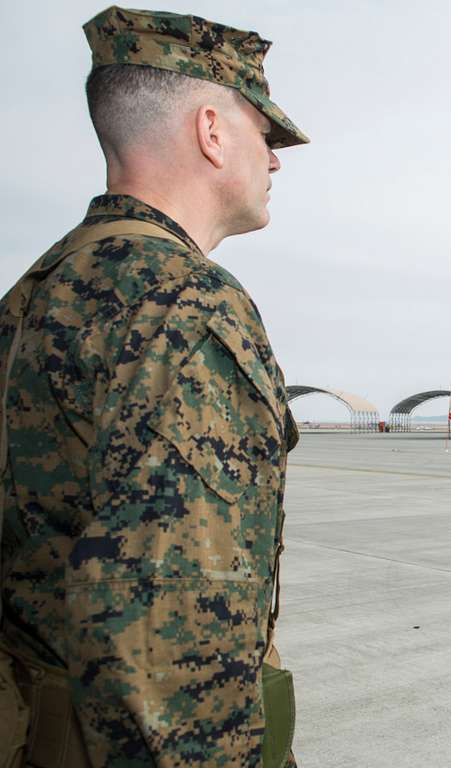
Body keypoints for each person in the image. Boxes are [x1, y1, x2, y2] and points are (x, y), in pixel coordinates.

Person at [0, 7, 308, 766]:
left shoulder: (37, 291)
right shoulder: (186, 305)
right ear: (211, 131)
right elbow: (171, 642)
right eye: (265, 136)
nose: (275, 161)